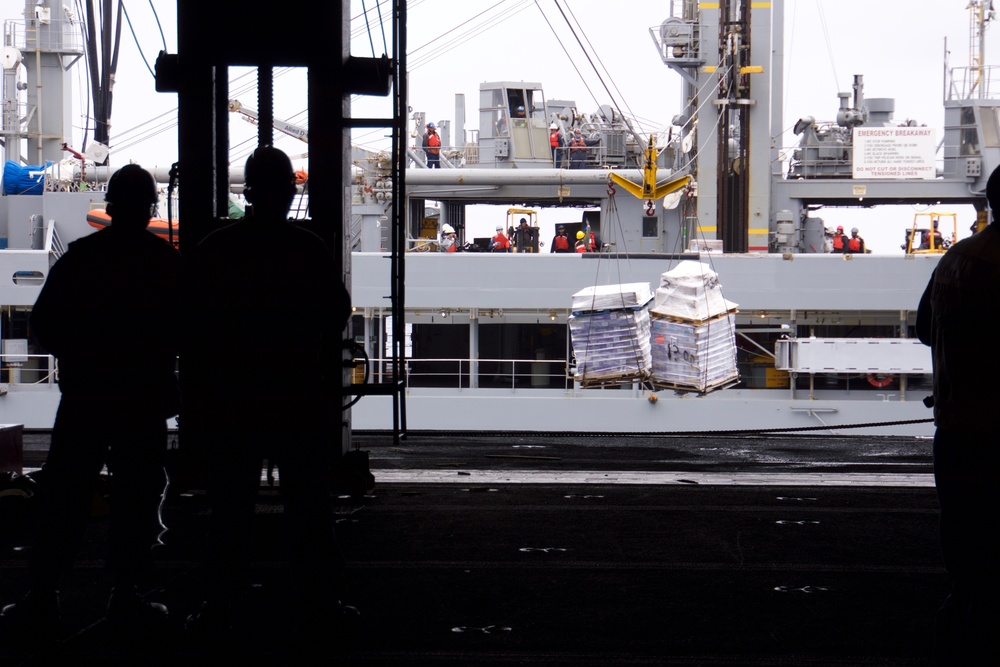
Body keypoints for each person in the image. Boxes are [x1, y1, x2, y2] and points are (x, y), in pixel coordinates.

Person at [0, 164, 181, 638]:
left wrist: (85, 355)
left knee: (65, 496)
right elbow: (189, 331)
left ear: (112, 207)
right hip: (142, 401)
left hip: (86, 397)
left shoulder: (81, 258)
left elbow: (44, 325)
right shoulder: (163, 264)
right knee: (137, 498)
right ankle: (127, 595)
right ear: (149, 210)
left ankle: (43, 596)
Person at [183, 147, 355, 638]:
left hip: (233, 398)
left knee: (230, 507)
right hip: (295, 394)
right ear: (291, 192)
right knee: (308, 506)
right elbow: (335, 313)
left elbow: (193, 325)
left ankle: (219, 605)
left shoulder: (216, 249)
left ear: (248, 193)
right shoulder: (309, 249)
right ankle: (322, 604)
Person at [916, 164, 1000, 664]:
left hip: (955, 424)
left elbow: (926, 328)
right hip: (995, 428)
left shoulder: (955, 258)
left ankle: (963, 605)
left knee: (963, 525)